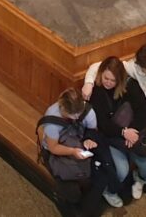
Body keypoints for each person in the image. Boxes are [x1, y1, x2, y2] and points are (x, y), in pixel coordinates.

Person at [81, 44, 146, 159]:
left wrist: (133, 131)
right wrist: (88, 83)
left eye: (113, 80)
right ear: (145, 68)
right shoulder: (129, 69)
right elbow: (98, 67)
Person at [85, 57, 146, 204]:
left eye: (113, 80)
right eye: (106, 78)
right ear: (101, 74)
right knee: (122, 170)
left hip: (132, 133)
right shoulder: (97, 92)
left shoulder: (130, 85)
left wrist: (133, 131)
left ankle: (141, 179)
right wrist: (124, 133)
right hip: (111, 137)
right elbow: (103, 123)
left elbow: (144, 111)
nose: (109, 83)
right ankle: (109, 190)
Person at [37, 86, 119, 214]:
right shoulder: (52, 118)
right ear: (62, 107)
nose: (75, 117)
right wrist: (73, 151)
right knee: (71, 191)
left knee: (100, 177)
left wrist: (89, 140)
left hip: (79, 145)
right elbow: (53, 147)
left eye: (78, 114)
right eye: (71, 115)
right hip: (58, 152)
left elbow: (93, 132)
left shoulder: (88, 112)